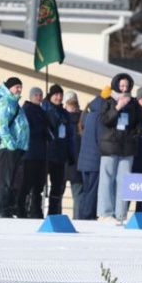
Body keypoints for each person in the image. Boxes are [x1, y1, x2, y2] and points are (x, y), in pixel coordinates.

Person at [97, 73, 142, 222]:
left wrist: (139, 130)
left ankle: (121, 214)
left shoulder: (134, 104)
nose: (124, 89)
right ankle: (105, 212)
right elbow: (104, 120)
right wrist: (118, 107)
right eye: (122, 86)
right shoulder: (109, 101)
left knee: (124, 181)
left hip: (127, 147)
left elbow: (140, 121)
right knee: (107, 179)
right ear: (116, 86)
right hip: (110, 146)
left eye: (126, 86)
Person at [0, 77, 29, 218]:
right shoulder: (5, 103)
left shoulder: (15, 104)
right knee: (5, 180)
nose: (19, 89)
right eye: (16, 87)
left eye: (20, 87)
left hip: (16, 148)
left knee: (12, 180)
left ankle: (5, 208)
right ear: (9, 88)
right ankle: (0, 209)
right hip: (8, 148)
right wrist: (11, 144)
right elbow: (1, 126)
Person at [77, 86, 109, 220]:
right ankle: (87, 216)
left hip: (84, 160)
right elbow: (101, 138)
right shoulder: (101, 116)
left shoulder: (89, 113)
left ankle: (82, 215)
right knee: (92, 191)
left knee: (86, 190)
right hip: (95, 160)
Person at [43, 84, 75, 215]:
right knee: (39, 185)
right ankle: (35, 212)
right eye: (56, 95)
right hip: (46, 154)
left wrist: (70, 153)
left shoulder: (64, 114)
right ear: (50, 96)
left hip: (60, 155)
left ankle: (53, 213)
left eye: (61, 95)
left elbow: (70, 135)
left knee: (57, 187)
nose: (59, 97)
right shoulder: (44, 110)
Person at [18, 87, 47, 218]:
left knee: (38, 185)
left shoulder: (42, 111)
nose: (39, 97)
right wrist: (42, 129)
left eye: (40, 95)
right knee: (26, 183)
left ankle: (36, 210)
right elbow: (27, 129)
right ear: (31, 96)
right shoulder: (27, 110)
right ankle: (21, 209)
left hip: (40, 153)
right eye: (36, 95)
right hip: (29, 153)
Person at [63, 90, 83, 219]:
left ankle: (78, 220)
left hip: (77, 161)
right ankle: (55, 219)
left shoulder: (83, 118)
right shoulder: (60, 116)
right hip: (62, 161)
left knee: (78, 194)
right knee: (57, 194)